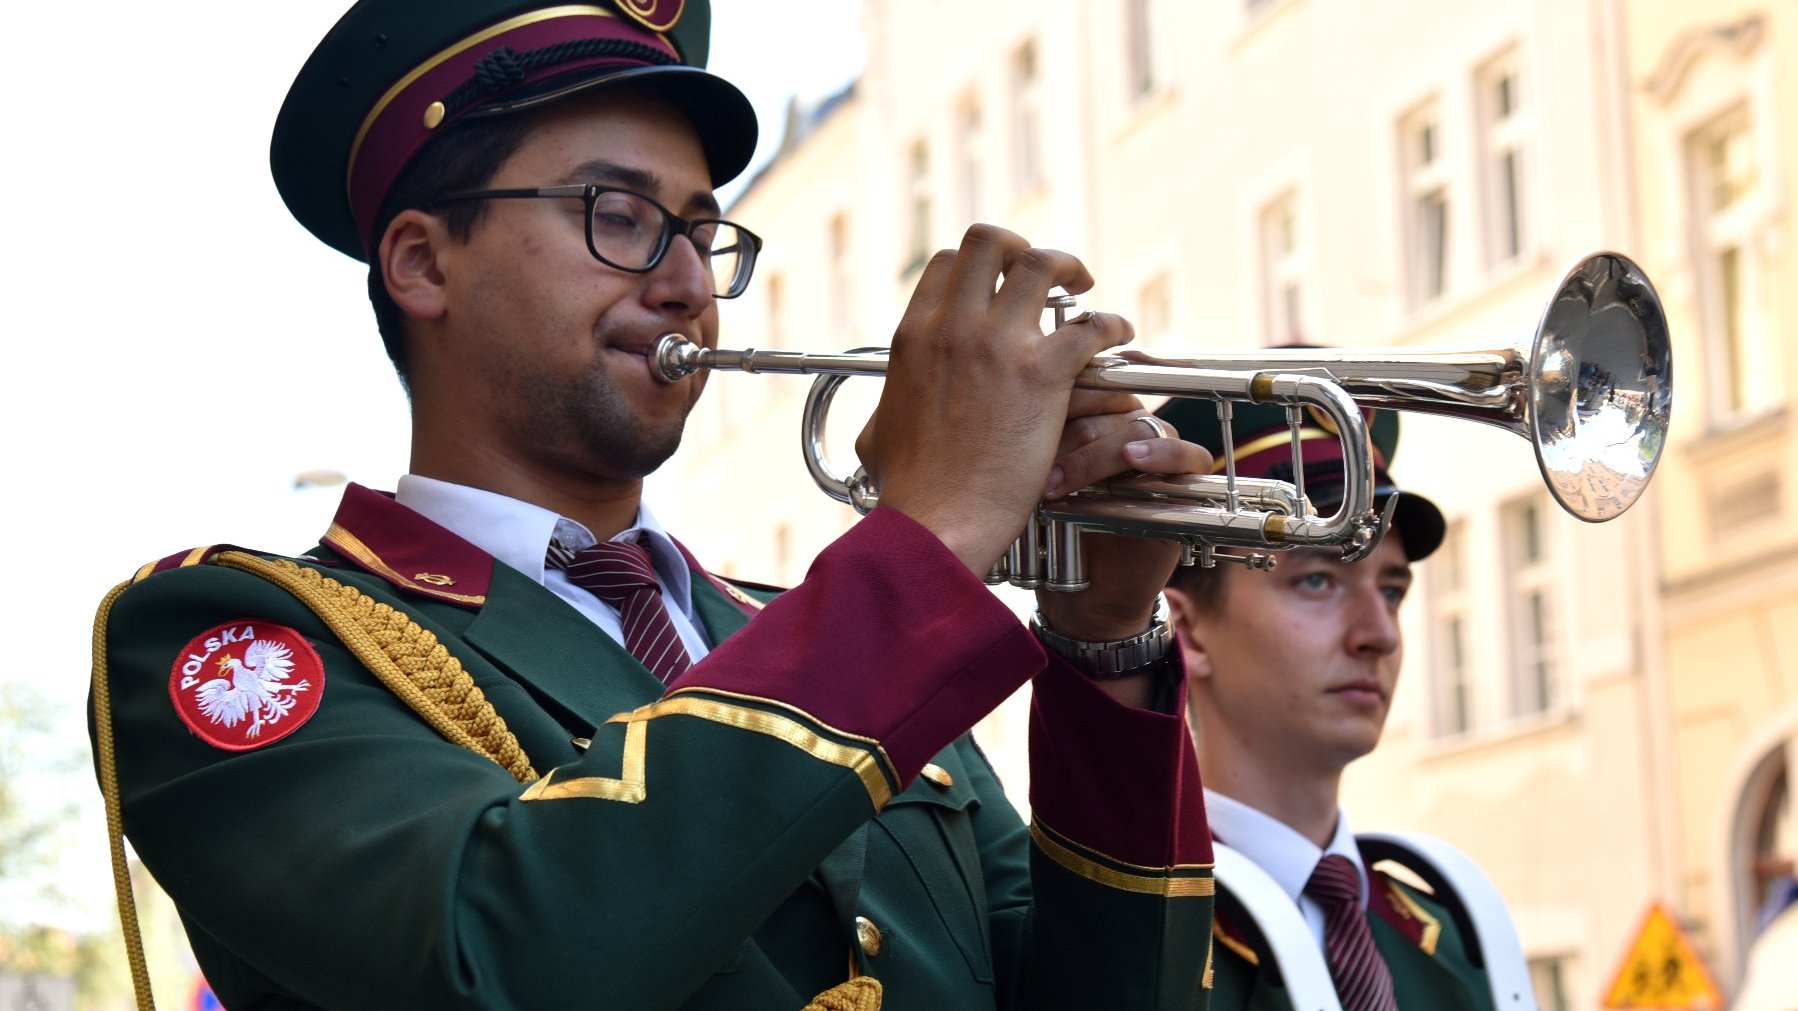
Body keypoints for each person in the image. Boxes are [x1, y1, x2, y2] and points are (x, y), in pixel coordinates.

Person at [88, 2, 1221, 1008]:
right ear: (424, 263)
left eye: (698, 230)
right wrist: (927, 537)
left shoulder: (818, 634)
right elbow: (500, 959)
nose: (685, 280)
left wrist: (1104, 641)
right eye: (616, 215)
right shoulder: (244, 642)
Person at [1154, 394, 1509, 1011]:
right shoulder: (1137, 943)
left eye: (1392, 591)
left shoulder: (1452, 938)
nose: (1381, 633)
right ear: (1188, 632)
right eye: (1318, 579)